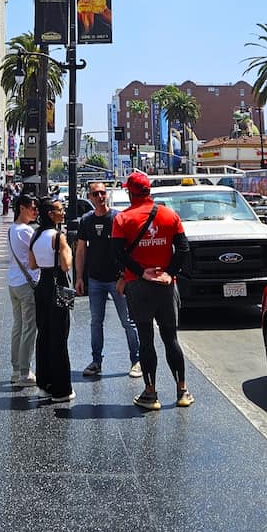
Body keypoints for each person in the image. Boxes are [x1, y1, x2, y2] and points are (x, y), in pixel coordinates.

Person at [112, 170, 193, 411]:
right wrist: (170, 272)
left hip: (138, 286)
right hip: (166, 287)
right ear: (149, 191)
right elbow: (184, 249)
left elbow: (118, 253)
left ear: (130, 192)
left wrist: (140, 271)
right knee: (171, 339)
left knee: (146, 340)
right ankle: (182, 390)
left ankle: (151, 393)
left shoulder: (122, 219)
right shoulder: (169, 215)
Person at [74, 181, 141, 379]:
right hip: (95, 280)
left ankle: (136, 360)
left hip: (117, 279)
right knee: (96, 322)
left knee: (128, 321)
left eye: (103, 193)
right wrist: (79, 277)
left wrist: (125, 275)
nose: (100, 197)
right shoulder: (86, 220)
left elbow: (130, 248)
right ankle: (96, 361)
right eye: (96, 194)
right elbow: (80, 250)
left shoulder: (118, 218)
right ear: (90, 196)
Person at [28, 196, 74, 402]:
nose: (63, 212)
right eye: (59, 210)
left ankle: (44, 383)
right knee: (60, 335)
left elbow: (32, 264)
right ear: (50, 214)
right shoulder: (58, 236)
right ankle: (61, 389)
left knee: (44, 334)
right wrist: (69, 250)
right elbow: (66, 265)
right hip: (59, 283)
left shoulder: (36, 235)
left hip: (43, 285)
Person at [6, 192, 39, 386]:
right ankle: (25, 372)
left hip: (13, 282)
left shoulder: (12, 229)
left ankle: (15, 369)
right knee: (29, 328)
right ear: (22, 208)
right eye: (32, 208)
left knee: (17, 326)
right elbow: (39, 253)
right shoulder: (26, 231)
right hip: (27, 284)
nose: (35, 211)